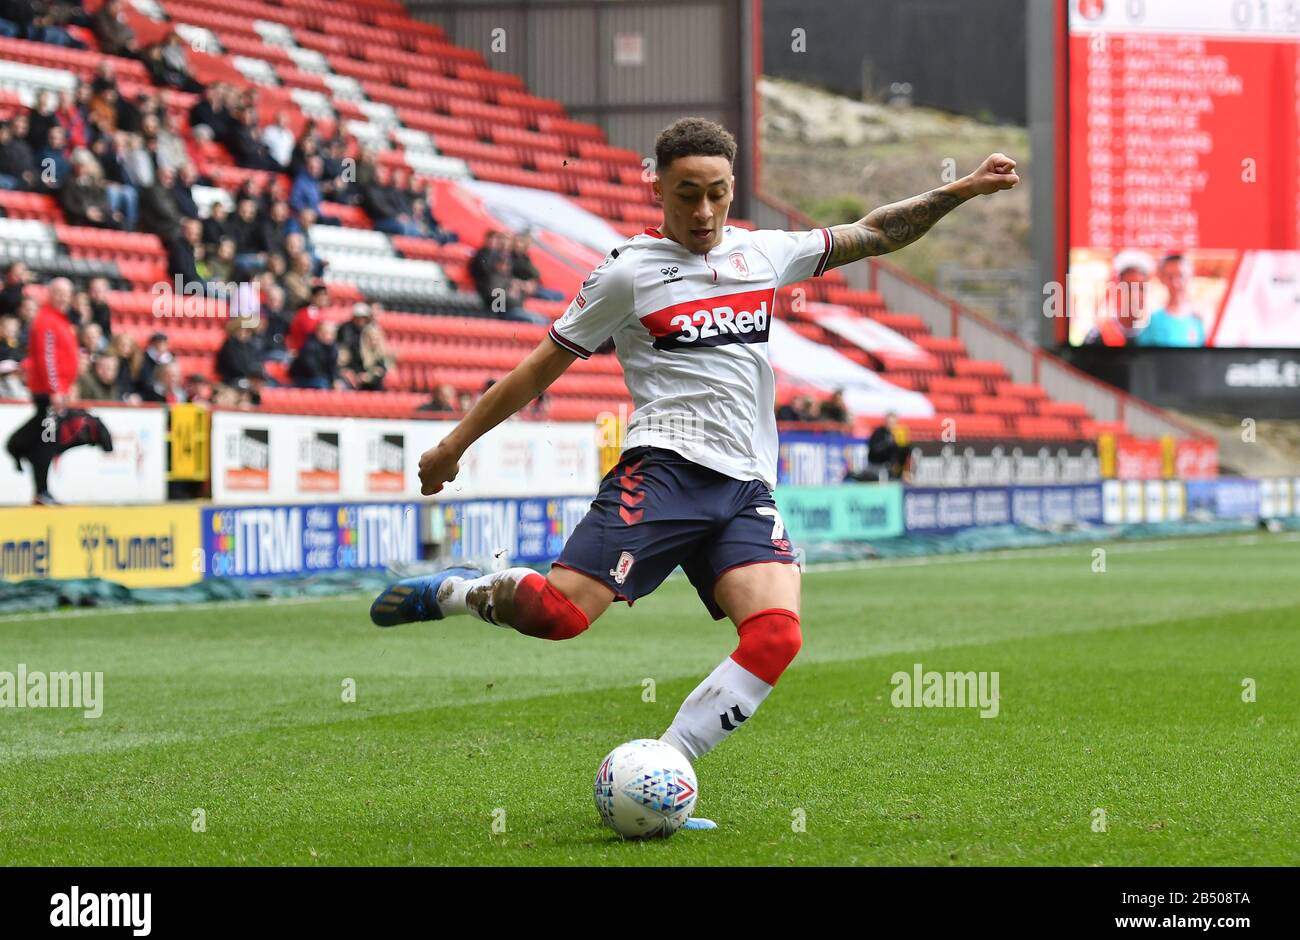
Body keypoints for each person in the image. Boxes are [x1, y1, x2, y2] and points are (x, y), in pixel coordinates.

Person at [369, 117, 1020, 818]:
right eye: (687, 195)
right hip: (664, 472)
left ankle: (666, 770)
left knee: (777, 635)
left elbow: (876, 232)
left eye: (717, 193)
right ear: (657, 188)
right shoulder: (625, 274)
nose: (704, 212)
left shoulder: (763, 254)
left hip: (745, 488)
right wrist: (453, 444)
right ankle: (460, 592)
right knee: (558, 618)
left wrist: (962, 189)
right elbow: (540, 366)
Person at [5, 277, 80, 504]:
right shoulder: (47, 320)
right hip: (49, 392)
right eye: (59, 292)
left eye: (67, 292)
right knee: (47, 440)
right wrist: (55, 389)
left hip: (54, 391)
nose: (64, 297)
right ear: (49, 293)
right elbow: (47, 358)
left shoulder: (59, 320)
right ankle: (41, 489)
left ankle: (16, 446)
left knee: (43, 437)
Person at [1083, 249, 1154, 347]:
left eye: (1140, 288)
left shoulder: (1155, 334)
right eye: (1129, 288)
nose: (1135, 296)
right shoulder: (1099, 335)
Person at [1135, 253, 1206, 348]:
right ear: (1162, 278)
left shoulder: (1199, 319)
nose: (1175, 283)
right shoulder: (1151, 319)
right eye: (1170, 277)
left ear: (1190, 276)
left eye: (1181, 276)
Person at [289, 321, 341, 389]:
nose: (330, 336)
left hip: (321, 378)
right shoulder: (309, 346)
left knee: (342, 385)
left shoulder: (333, 348)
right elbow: (313, 370)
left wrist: (335, 380)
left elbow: (333, 369)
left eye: (332, 334)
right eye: (326, 333)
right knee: (322, 384)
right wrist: (330, 382)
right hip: (302, 379)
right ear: (318, 333)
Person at [862, 411, 911, 480]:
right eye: (889, 422)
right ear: (885, 422)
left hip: (890, 467)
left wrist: (905, 447)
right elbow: (874, 450)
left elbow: (900, 455)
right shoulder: (879, 432)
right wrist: (886, 443)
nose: (891, 425)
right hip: (876, 466)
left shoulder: (897, 434)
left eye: (893, 423)